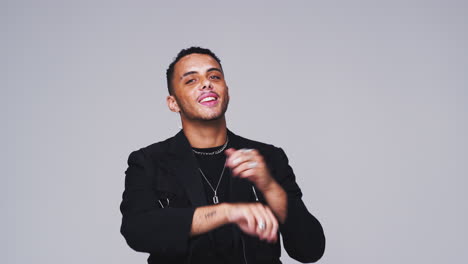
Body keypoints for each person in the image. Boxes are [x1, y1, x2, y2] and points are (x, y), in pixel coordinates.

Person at [120, 47, 325, 264]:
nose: (206, 83)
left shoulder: (268, 158)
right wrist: (226, 213)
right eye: (191, 80)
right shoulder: (149, 162)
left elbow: (310, 250)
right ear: (173, 103)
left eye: (214, 76)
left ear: (226, 91)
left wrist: (271, 188)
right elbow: (138, 231)